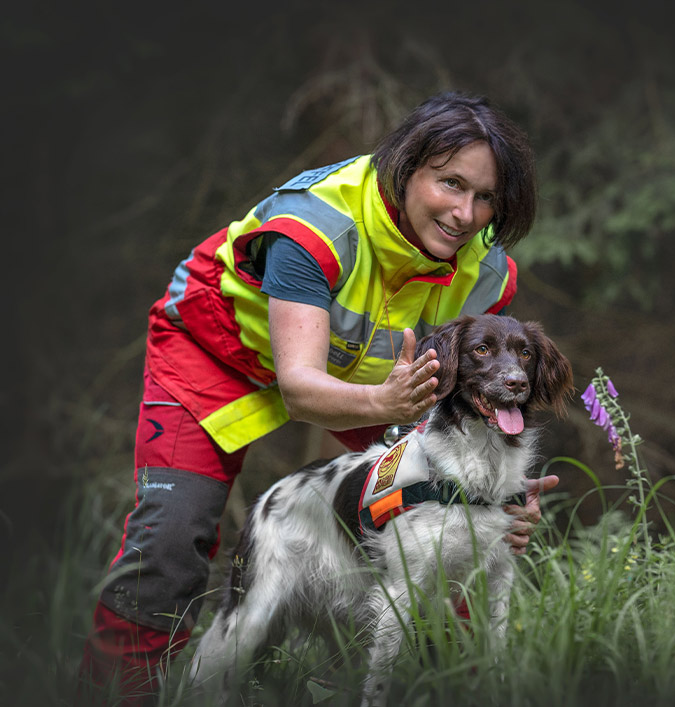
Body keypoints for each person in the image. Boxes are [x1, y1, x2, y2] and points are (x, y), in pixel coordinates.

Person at [79, 91, 560, 702]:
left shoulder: (488, 270)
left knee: (456, 532)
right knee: (169, 544)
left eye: (486, 196)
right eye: (450, 184)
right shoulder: (320, 224)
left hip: (374, 381)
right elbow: (301, 389)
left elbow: (471, 406)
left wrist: (500, 499)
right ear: (407, 164)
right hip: (217, 353)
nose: (465, 213)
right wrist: (387, 407)